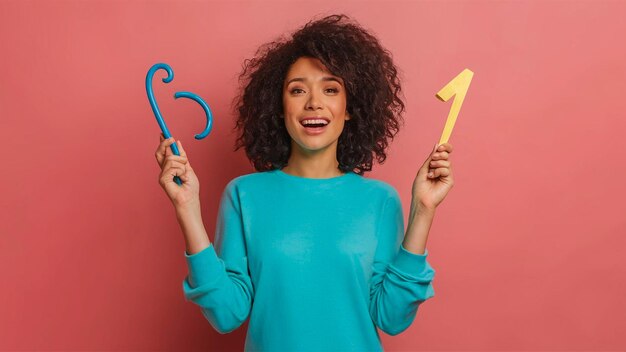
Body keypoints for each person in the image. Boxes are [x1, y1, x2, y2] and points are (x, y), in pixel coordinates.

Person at [154, 14, 454, 352]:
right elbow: (226, 314)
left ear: (350, 107)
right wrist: (187, 207)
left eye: (330, 89)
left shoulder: (380, 201)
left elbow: (392, 317)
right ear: (279, 107)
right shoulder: (243, 195)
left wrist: (424, 210)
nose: (314, 102)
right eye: (298, 90)